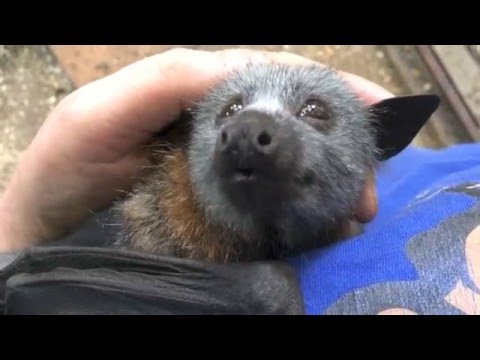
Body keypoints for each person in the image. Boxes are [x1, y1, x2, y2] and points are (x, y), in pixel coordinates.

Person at [0, 48, 479, 315]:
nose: (249, 129)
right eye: (230, 112)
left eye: (314, 114)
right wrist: (23, 222)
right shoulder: (160, 228)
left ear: (379, 143)